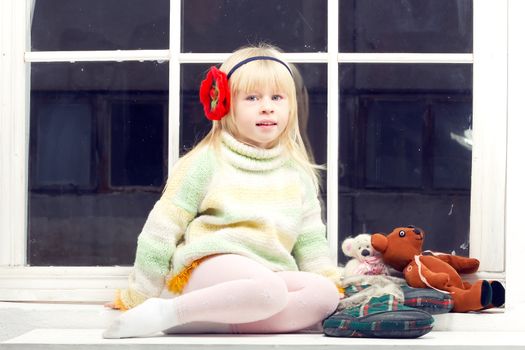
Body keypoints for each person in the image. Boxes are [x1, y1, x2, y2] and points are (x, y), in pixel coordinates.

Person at [102, 44, 341, 339]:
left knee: (325, 295)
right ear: (225, 104)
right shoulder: (206, 162)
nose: (267, 106)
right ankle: (164, 312)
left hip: (269, 278)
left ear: (290, 106)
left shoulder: (298, 173)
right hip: (210, 268)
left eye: (277, 97)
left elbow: (311, 241)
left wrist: (335, 283)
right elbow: (161, 230)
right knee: (270, 290)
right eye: (252, 97)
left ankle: (207, 323)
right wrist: (139, 293)